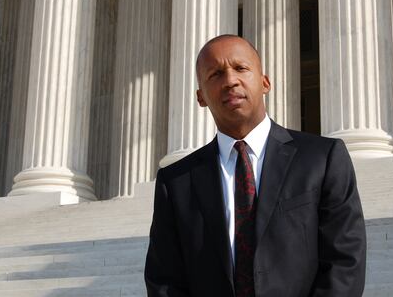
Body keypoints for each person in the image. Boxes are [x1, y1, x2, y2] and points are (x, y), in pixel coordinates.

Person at [145, 34, 366, 297]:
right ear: (200, 96)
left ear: (265, 82)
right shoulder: (176, 182)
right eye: (215, 74)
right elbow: (165, 280)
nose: (230, 81)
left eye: (240, 68)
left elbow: (345, 261)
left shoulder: (323, 158)